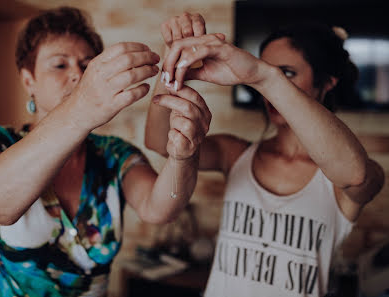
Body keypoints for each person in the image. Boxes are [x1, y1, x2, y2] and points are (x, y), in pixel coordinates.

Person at [0, 7, 211, 297]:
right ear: (29, 81)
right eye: (59, 65)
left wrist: (184, 155)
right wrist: (79, 109)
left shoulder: (113, 154)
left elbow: (160, 208)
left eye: (86, 65)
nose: (77, 75)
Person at [145, 13, 385, 297]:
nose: (268, 90)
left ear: (327, 83)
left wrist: (265, 75)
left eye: (287, 73)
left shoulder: (345, 173)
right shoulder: (235, 154)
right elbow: (158, 141)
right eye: (263, 71)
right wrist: (171, 63)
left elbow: (356, 175)